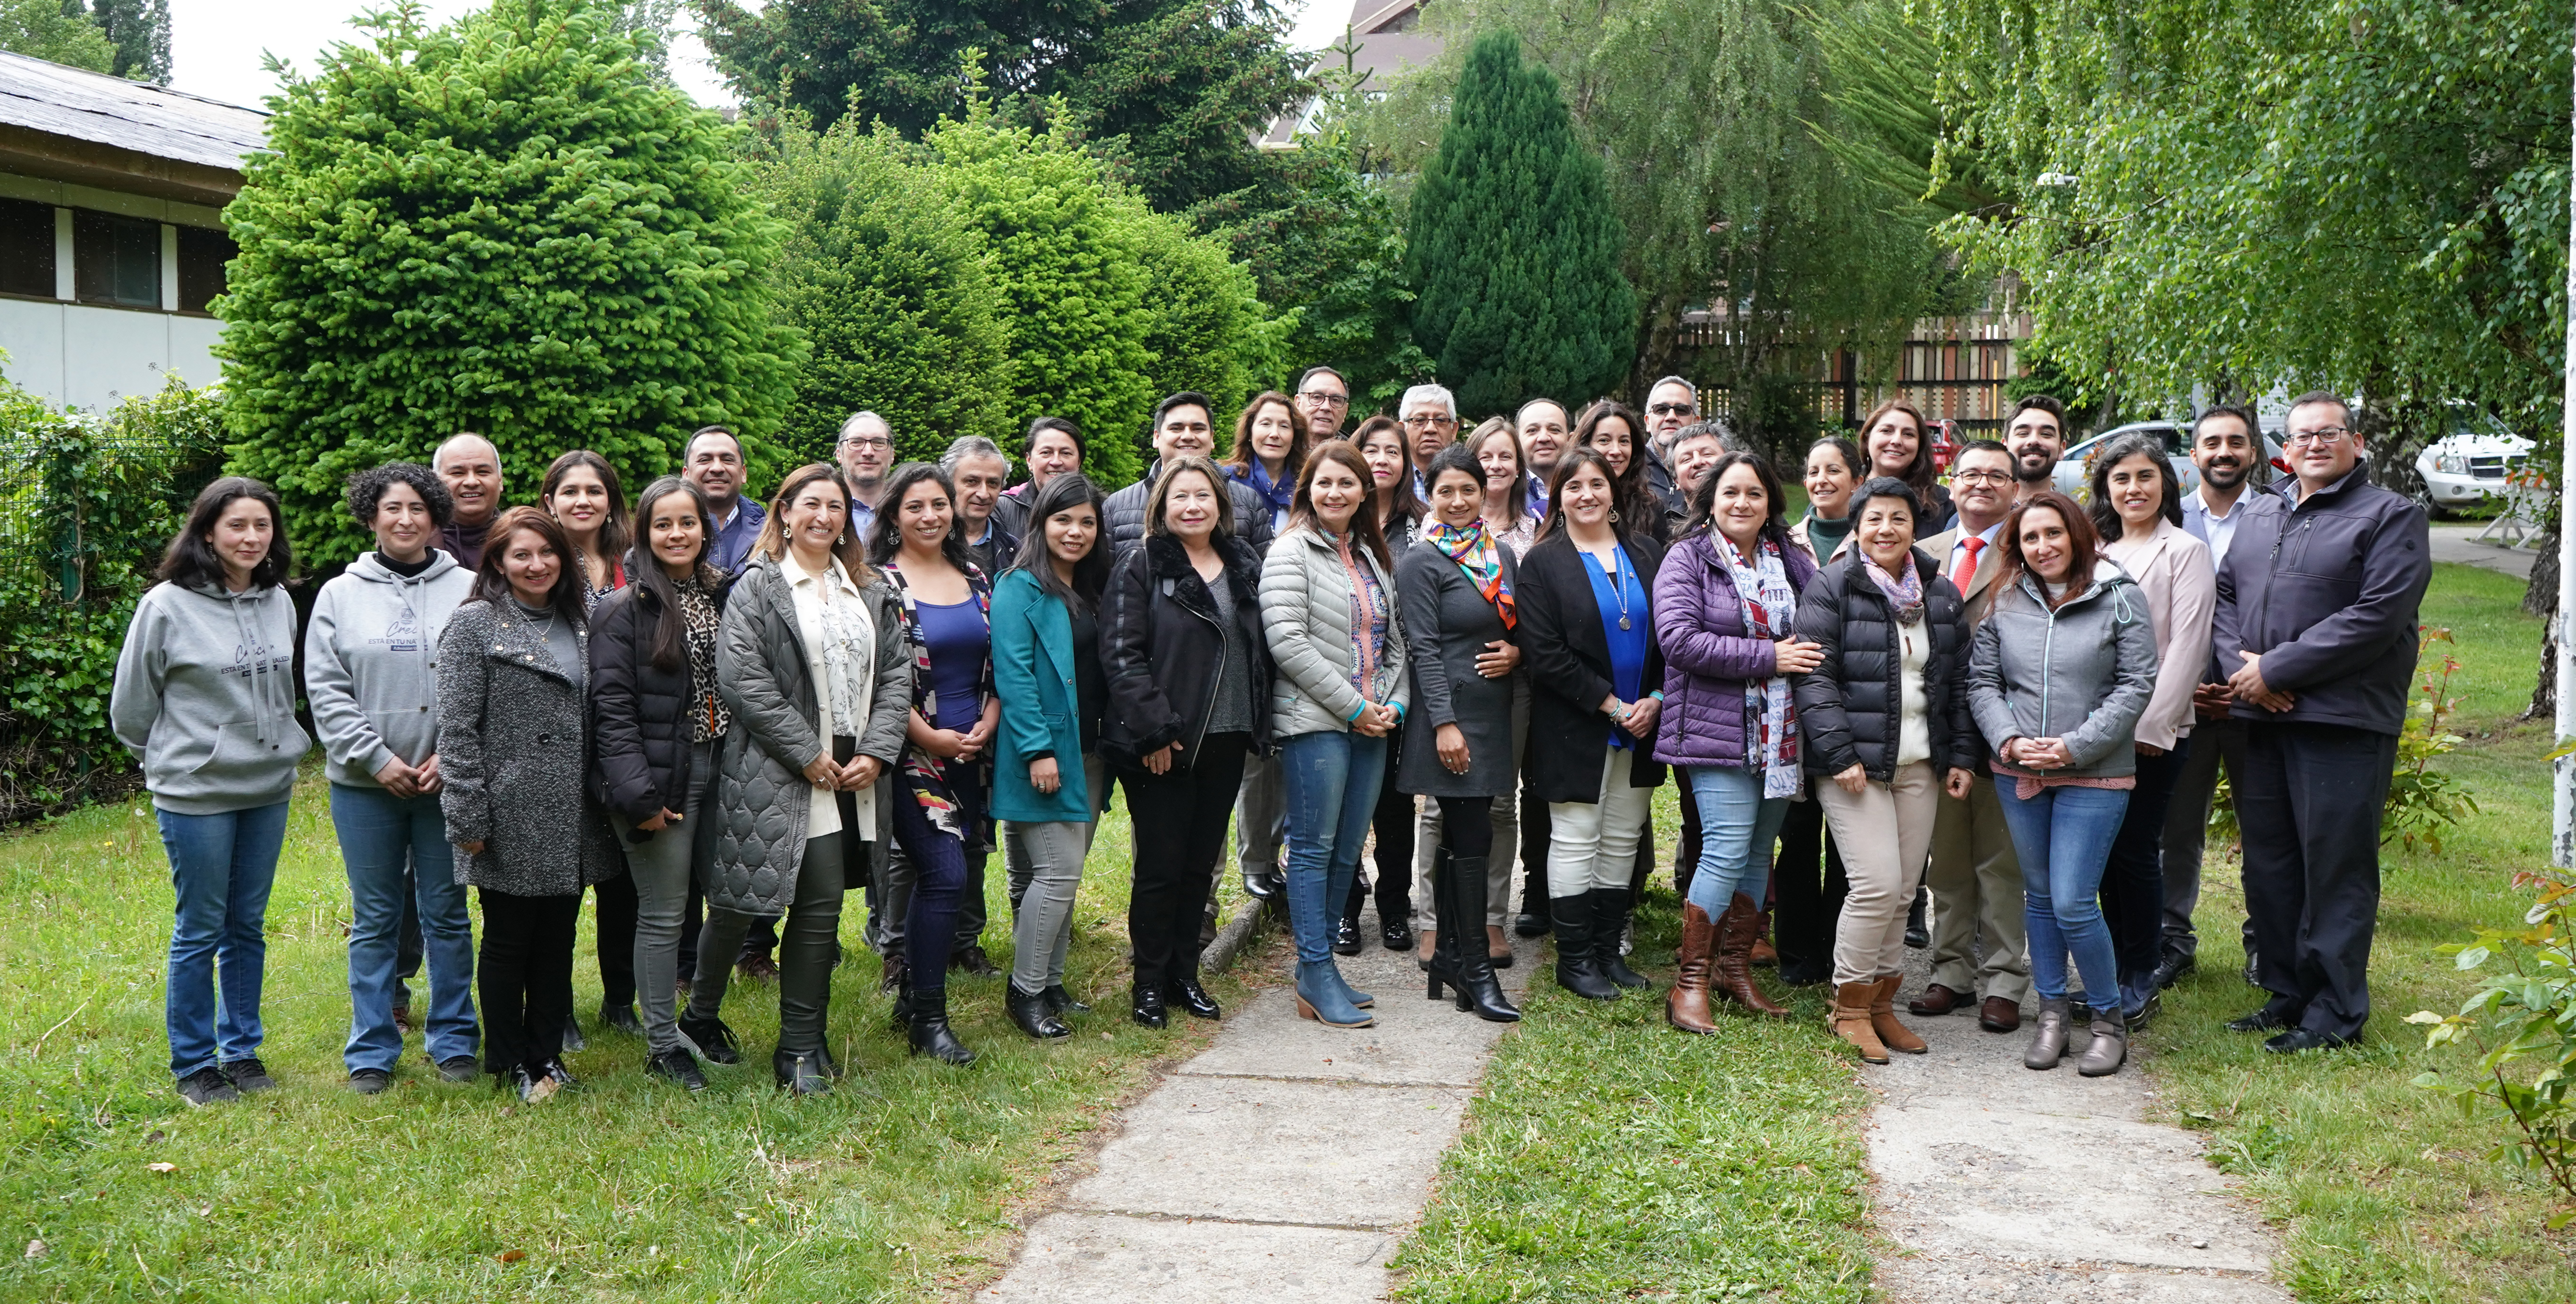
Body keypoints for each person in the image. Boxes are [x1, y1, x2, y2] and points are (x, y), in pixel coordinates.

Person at [2212, 391, 2429, 1053]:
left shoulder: (2390, 516)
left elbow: (2377, 615)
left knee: (2334, 866)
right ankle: (2287, 992)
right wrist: (2244, 670)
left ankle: (2334, 1012)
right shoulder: (2262, 513)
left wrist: (2277, 670)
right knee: (2271, 863)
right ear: (2284, 446)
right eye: (2300, 435)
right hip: (2262, 716)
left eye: (2327, 433)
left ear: (2355, 442)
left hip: (2340, 719)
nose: (2312, 444)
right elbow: (2225, 596)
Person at [690, 465, 912, 1091]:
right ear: (783, 513)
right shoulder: (757, 586)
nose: (823, 516)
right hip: (777, 769)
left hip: (853, 771)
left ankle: (799, 1046)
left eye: (835, 506)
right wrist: (805, 753)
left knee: (818, 908)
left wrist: (877, 748)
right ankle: (701, 1015)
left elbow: (896, 673)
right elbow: (742, 679)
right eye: (809, 504)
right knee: (737, 906)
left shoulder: (868, 586)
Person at [113, 477, 310, 1107]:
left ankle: (242, 1051)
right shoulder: (166, 606)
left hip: (267, 787)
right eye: (237, 526)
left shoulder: (279, 600)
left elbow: (284, 692)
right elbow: (132, 710)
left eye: (262, 525)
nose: (252, 537)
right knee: (201, 927)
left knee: (246, 925)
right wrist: (182, 757)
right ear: (206, 533)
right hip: (195, 792)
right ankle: (195, 1065)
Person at [1970, 490, 2159, 1075]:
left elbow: (2135, 683)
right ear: (2016, 545)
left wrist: (2074, 746)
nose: (2042, 546)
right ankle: (2050, 1013)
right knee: (2041, 896)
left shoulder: (2119, 596)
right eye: (2030, 537)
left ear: (2076, 534)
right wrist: (2008, 738)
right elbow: (1982, 681)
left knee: (2075, 899)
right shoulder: (2005, 598)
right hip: (2018, 769)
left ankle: (2106, 1019)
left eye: (2052, 533)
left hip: (2093, 773)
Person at [303, 463, 479, 1093]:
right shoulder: (338, 595)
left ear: (435, 518)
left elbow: (482, 683)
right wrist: (376, 759)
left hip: (445, 785)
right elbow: (325, 689)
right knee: (376, 918)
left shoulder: (470, 587)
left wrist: (450, 758)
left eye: (418, 509)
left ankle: (456, 1038)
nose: (405, 519)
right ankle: (372, 1049)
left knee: (447, 915)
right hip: (365, 788)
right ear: (371, 515)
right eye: (391, 508)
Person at [435, 507, 621, 1101]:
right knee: (510, 938)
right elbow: (457, 729)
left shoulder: (585, 617)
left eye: (547, 553)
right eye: (521, 554)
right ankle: (509, 1058)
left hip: (574, 812)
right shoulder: (473, 625)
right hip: (508, 809)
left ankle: (547, 1053)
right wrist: (467, 814)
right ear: (497, 561)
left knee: (558, 937)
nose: (536, 565)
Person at [1791, 478, 1978, 1065]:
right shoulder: (1833, 585)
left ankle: (1881, 1004)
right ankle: (1847, 1007)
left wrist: (1961, 757)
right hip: (1854, 766)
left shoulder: (1939, 594)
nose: (1886, 529)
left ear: (1913, 525)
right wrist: (1838, 751)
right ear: (1856, 526)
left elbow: (1956, 684)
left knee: (1902, 891)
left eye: (1897, 518)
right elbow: (1813, 677)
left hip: (1920, 763)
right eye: (1873, 519)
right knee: (1872, 884)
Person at [1654, 451, 1819, 1031]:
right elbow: (1679, 640)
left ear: (1772, 502)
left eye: (1753, 493)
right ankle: (1688, 983)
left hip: (1781, 734)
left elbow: (1821, 629)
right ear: (1710, 501)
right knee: (1724, 846)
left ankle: (1733, 968)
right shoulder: (1687, 558)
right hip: (1713, 729)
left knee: (1756, 852)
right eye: (1730, 493)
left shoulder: (1794, 561)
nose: (1741, 503)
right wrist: (1769, 657)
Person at [1104, 456, 1271, 1027]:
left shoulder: (1241, 561)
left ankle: (1184, 974)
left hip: (1226, 735)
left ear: (1220, 504)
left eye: (1203, 495)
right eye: (1181, 497)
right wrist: (1153, 730)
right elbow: (1121, 655)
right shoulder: (1142, 563)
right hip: (1167, 742)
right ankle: (1147, 984)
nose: (1192, 505)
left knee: (1199, 865)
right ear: (1162, 506)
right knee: (1160, 866)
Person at [590, 476, 739, 1091]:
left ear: (705, 529)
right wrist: (639, 798)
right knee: (663, 912)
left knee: (731, 900)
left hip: (725, 769)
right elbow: (612, 710)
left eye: (688, 522)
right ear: (644, 534)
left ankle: (699, 1017)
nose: (677, 534)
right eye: (663, 524)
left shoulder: (723, 595)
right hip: (659, 781)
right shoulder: (623, 608)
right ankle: (660, 1045)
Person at [1263, 439, 1410, 1029]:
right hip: (1315, 722)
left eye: (1347, 484)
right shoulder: (1290, 551)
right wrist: (1355, 707)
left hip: (1371, 724)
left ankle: (1319, 971)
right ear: (1308, 489)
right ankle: (1314, 967)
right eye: (1324, 483)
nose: (1335, 493)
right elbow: (1287, 643)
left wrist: (1393, 703)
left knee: (1350, 849)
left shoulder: (1371, 557)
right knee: (1315, 849)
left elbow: (1394, 642)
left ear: (1363, 493)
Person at [1519, 447, 1666, 1001]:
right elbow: (1544, 653)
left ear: (1614, 491)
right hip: (1576, 721)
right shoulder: (1543, 561)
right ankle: (1575, 961)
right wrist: (1611, 706)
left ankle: (1609, 952)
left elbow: (1669, 636)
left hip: (1644, 719)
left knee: (1624, 836)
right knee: (1578, 836)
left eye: (1597, 484)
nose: (1586, 494)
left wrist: (1653, 697)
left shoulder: (1647, 553)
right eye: (1573, 485)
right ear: (1557, 495)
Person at [871, 462, 1000, 1061]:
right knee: (944, 872)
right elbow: (873, 679)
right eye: (915, 506)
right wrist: (929, 735)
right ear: (894, 514)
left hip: (972, 754)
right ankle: (929, 1016)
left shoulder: (974, 575)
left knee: (954, 873)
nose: (930, 516)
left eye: (939, 505)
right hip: (908, 753)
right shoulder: (878, 582)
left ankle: (911, 1001)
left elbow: (997, 660)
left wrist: (986, 722)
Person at [2091, 434, 2215, 1028]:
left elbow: (2187, 647)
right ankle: (2111, 965)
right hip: (2092, 735)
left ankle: (2140, 972)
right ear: (2105, 489)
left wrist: (2148, 727)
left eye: (2144, 476)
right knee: (2101, 855)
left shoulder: (2184, 551)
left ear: (2165, 483)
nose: (2133, 488)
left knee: (2136, 851)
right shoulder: (2094, 549)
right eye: (2121, 479)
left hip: (2148, 733)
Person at [1400, 443, 1525, 1023]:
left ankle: (1450, 955)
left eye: (1466, 489)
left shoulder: (1499, 553)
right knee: (1472, 835)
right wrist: (1444, 724)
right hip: (1449, 718)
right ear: (1429, 494)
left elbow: (1520, 624)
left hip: (1493, 714)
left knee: (1464, 835)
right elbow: (1421, 646)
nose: (1455, 500)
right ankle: (1475, 969)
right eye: (1444, 490)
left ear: (1483, 492)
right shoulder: (1420, 562)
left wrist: (1518, 651)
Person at [1909, 439, 2030, 1032]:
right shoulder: (1919, 551)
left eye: (1996, 476)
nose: (1981, 484)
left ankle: (2005, 978)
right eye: (1970, 474)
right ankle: (1950, 970)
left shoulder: (2029, 551)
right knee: (1948, 862)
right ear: (1951, 483)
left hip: (2003, 728)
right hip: (1935, 731)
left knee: (1999, 861)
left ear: (2014, 488)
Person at [2162, 403, 2282, 990]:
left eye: (2235, 442)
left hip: (2258, 700)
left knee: (2264, 828)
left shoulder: (2280, 515)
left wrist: (2243, 683)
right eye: (2211, 442)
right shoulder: (2168, 518)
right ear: (2193, 454)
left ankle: (2267, 942)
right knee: (2175, 828)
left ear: (2252, 452)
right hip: (2183, 703)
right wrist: (2189, 689)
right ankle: (2170, 940)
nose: (2223, 452)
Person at [991, 473, 1112, 1039]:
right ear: (1040, 523)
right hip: (1041, 752)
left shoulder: (1089, 585)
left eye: (1087, 520)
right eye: (1063, 519)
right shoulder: (1019, 586)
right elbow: (1014, 677)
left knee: (1067, 872)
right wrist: (1039, 750)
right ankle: (1025, 991)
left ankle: (1053, 981)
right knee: (1057, 874)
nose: (1076, 530)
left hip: (1087, 751)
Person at [541, 449, 639, 1044]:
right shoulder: (539, 561)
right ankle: (559, 1009)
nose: (583, 501)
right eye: (570, 491)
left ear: (610, 501)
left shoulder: (634, 561)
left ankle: (620, 999)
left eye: (594, 491)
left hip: (626, 737)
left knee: (624, 883)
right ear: (549, 499)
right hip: (559, 739)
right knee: (561, 885)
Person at [1773, 435, 1869, 986]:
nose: (1821, 479)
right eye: (1812, 470)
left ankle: (1837, 948)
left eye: (1834, 469)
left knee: (1845, 837)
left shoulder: (1875, 537)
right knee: (1798, 831)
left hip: (1852, 703)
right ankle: (1796, 952)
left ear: (1856, 479)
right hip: (1789, 705)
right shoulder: (1783, 543)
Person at [1342, 417, 1428, 954]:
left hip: (1402, 684)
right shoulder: (1336, 520)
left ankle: (1395, 907)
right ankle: (1346, 907)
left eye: (1391, 450)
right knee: (1344, 802)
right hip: (1344, 687)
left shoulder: (1422, 523)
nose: (1380, 459)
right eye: (1369, 449)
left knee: (1396, 805)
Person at [1105, 391, 1276, 555]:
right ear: (1156, 438)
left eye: (1198, 429)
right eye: (1176, 428)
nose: (1187, 436)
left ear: (1211, 438)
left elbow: (1262, 573)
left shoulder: (1248, 501)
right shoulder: (1116, 507)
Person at [1572, 399, 1661, 544]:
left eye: (1624, 441)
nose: (1616, 451)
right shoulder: (1568, 502)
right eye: (1604, 441)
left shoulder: (1651, 509)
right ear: (1584, 445)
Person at [1224, 390, 1312, 538]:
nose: (1274, 434)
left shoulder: (1307, 484)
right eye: (1266, 424)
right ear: (1250, 432)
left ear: (1294, 437)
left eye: (1284, 426)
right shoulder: (1227, 480)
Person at [1860, 399, 1953, 534]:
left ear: (1919, 445)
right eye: (1887, 431)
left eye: (1908, 434)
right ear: (1867, 438)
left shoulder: (1943, 504)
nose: (1897, 441)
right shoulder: (1845, 494)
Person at [684, 426, 765, 575]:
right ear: (686, 474)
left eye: (727, 460)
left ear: (743, 473)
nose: (717, 468)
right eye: (705, 460)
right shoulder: (661, 533)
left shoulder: (770, 535)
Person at [994, 416, 1084, 539]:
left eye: (1066, 453)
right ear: (1029, 460)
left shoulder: (1099, 509)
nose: (1056, 462)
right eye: (1046, 453)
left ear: (1079, 462)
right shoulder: (1004, 508)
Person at [943, 436, 1018, 578]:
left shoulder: (1015, 551)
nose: (984, 494)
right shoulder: (927, 542)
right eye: (972, 481)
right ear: (948, 483)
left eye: (992, 483)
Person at [433, 432, 504, 569]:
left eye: (483, 471)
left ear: (500, 480)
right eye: (458, 473)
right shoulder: (418, 544)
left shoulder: (519, 539)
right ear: (436, 481)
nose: (471, 482)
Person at [1640, 375, 1700, 516]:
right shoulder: (1630, 466)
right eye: (1661, 409)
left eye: (1681, 410)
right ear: (1648, 422)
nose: (1671, 416)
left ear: (1696, 422)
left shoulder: (1712, 468)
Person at [836, 411, 896, 539]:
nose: (868, 452)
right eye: (857, 442)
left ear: (892, 455)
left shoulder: (906, 509)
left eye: (879, 442)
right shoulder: (822, 512)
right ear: (839, 454)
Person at [2004, 395, 2068, 503]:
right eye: (2023, 433)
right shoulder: (1983, 516)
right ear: (2005, 446)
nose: (2034, 441)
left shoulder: (2078, 518)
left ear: (2061, 449)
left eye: (2046, 434)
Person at [1399, 383, 1461, 496]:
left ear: (1454, 431)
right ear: (1402, 429)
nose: (1431, 429)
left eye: (1440, 420)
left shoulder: (1467, 479)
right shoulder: (1392, 480)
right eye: (1420, 420)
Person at [1515, 398, 1570, 524]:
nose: (1544, 438)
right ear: (1517, 441)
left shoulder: (1589, 490)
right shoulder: (1502, 493)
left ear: (1570, 439)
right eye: (1533, 431)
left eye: (1554, 430)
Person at [1293, 365, 1352, 442]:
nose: (1326, 407)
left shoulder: (1358, 454)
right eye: (1317, 397)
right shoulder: (1277, 448)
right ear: (1298, 403)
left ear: (1345, 412)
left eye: (1335, 400)